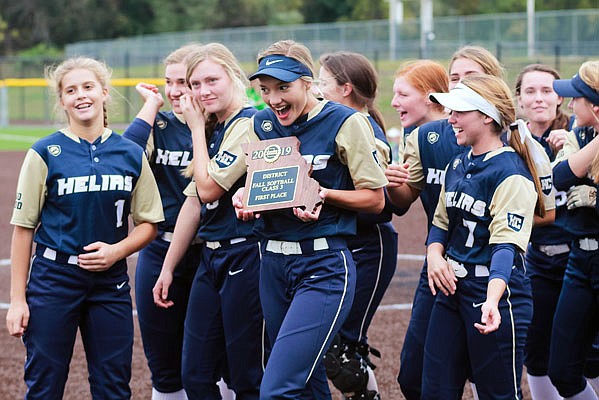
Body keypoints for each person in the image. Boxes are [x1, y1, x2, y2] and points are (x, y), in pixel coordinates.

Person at [233, 39, 388, 399]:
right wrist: (244, 197)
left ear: (308, 82)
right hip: (271, 263)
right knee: (306, 384)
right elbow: (260, 187)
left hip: (322, 265)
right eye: (266, 89)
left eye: (283, 87)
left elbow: (376, 199)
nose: (273, 99)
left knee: (277, 388)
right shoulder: (262, 124)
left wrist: (324, 193)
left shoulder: (344, 121)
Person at [6, 56, 164, 399]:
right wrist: (18, 300)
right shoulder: (45, 152)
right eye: (71, 90)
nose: (81, 95)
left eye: (88, 87)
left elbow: (149, 222)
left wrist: (117, 251)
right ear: (62, 100)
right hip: (54, 279)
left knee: (113, 385)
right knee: (45, 384)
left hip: (110, 282)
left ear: (105, 93)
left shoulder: (129, 153)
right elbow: (23, 228)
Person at [386, 45, 505, 400]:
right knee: (415, 379)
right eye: (455, 78)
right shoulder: (427, 136)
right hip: (438, 266)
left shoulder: (511, 141)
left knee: (491, 384)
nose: (461, 84)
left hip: (492, 272)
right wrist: (394, 183)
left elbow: (542, 214)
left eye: (472, 77)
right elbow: (403, 203)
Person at [153, 42, 265, 400]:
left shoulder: (249, 123)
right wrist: (168, 267)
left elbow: (209, 189)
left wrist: (195, 129)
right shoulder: (217, 125)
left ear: (234, 76)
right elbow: (192, 200)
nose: (203, 91)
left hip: (246, 254)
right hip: (211, 257)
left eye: (211, 80)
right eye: (195, 84)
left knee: (246, 374)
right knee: (196, 373)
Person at [423, 74, 546, 399]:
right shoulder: (457, 163)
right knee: (434, 391)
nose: (451, 119)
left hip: (497, 295)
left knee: (498, 395)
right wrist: (434, 255)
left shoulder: (511, 174)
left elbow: (505, 247)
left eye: (460, 112)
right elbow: (441, 224)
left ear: (487, 116)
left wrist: (492, 299)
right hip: (451, 291)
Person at [122, 43, 203, 400]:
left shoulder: (223, 124)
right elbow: (122, 161)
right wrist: (150, 108)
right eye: (168, 81)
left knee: (213, 361)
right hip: (160, 249)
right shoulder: (160, 123)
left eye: (183, 81)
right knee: (164, 366)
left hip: (210, 254)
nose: (173, 91)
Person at [316, 50, 396, 400]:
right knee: (327, 348)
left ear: (346, 88)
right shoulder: (331, 124)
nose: (317, 91)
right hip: (340, 245)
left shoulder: (365, 130)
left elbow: (379, 205)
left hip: (368, 245)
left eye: (323, 83)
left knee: (341, 350)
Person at [514, 63, 577, 399]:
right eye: (530, 91)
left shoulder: (581, 134)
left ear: (560, 98)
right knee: (536, 350)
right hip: (536, 261)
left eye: (547, 90)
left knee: (586, 353)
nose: (539, 98)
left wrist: (573, 147)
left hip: (580, 260)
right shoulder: (511, 142)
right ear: (520, 99)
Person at [548, 60, 599, 400]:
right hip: (580, 260)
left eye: (576, 98)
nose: (568, 105)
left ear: (594, 105)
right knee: (562, 370)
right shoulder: (581, 133)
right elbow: (562, 178)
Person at [391, 59, 448, 137]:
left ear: (430, 97)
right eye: (395, 94)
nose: (393, 103)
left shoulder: (457, 134)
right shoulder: (408, 132)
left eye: (403, 95)